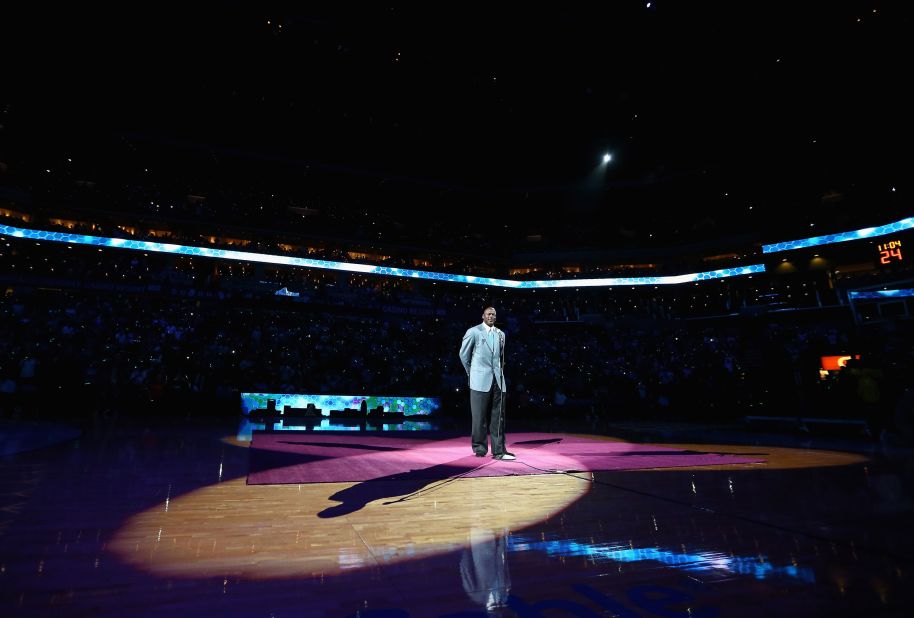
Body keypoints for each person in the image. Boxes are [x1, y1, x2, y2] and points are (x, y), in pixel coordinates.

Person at [459, 307, 516, 460]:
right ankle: (479, 447)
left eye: (494, 314)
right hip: (479, 379)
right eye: (488, 314)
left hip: (498, 379)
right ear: (483, 315)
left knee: (499, 417)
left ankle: (499, 451)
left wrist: (500, 372)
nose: (491, 316)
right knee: (479, 417)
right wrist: (472, 372)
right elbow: (463, 355)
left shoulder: (501, 334)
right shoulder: (474, 332)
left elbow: (501, 358)